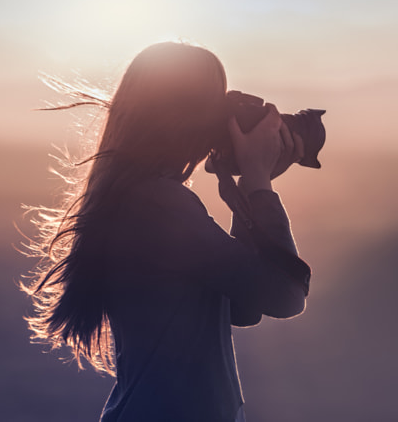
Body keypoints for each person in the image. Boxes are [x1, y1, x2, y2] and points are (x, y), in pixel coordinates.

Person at [22, 42, 311, 421]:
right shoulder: (159, 204)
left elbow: (242, 305)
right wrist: (258, 181)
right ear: (190, 115)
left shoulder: (136, 195)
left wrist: (242, 196)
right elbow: (284, 296)